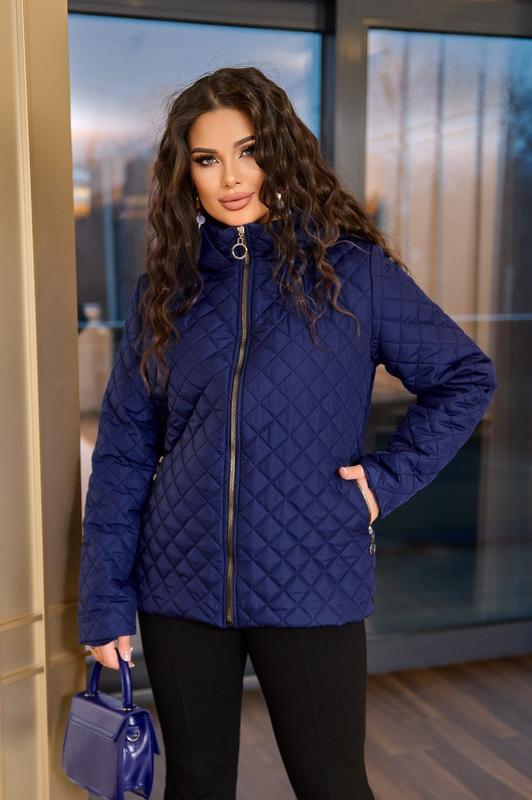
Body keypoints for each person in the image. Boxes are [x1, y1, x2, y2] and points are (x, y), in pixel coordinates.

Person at [77, 66, 498, 799]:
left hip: (313, 574)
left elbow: (465, 377)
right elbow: (123, 453)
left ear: (281, 153)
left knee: (332, 784)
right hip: (178, 582)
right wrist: (105, 599)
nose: (231, 178)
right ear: (185, 174)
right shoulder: (165, 293)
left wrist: (383, 484)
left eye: (248, 151)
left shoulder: (353, 274)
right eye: (207, 159)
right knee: (197, 783)